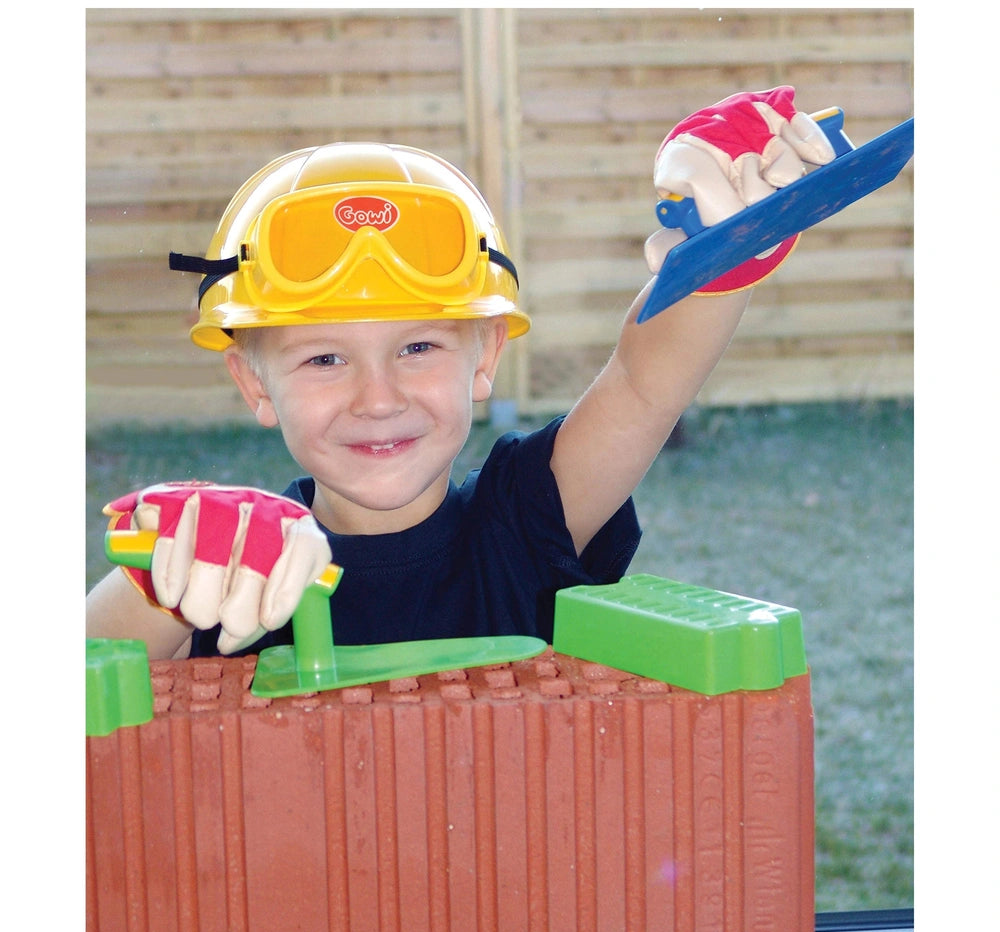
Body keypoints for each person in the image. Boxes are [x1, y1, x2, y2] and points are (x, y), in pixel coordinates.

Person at [86, 87, 835, 661]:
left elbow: (644, 386)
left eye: (418, 349)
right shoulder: (236, 568)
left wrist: (726, 245)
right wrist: (166, 579)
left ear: (485, 357)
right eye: (323, 359)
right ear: (254, 385)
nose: (377, 399)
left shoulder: (526, 519)